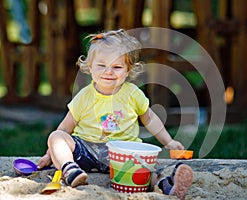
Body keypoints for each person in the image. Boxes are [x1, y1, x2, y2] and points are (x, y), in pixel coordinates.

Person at [37, 29, 193, 199]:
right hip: (86, 150)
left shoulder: (132, 94)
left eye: (117, 67)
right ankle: (70, 169)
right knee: (56, 136)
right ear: (90, 68)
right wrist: (49, 154)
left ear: (128, 70)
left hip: (123, 153)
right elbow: (66, 127)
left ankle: (166, 185)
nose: (109, 72)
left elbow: (149, 118)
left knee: (148, 165)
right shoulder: (84, 96)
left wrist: (168, 141)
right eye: (101, 65)